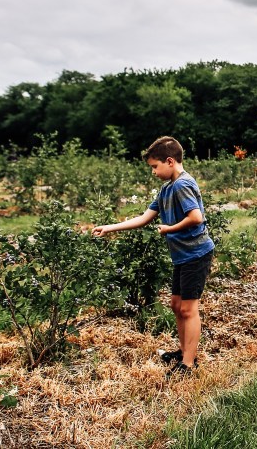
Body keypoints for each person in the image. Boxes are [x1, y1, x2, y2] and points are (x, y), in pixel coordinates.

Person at [93, 136, 215, 377]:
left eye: (155, 166)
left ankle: (188, 365)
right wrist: (110, 227)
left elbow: (195, 217)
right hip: (183, 255)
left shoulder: (182, 185)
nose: (153, 172)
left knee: (189, 309)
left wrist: (168, 229)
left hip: (196, 253)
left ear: (170, 161)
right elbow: (144, 217)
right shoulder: (167, 188)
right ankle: (183, 352)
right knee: (176, 305)